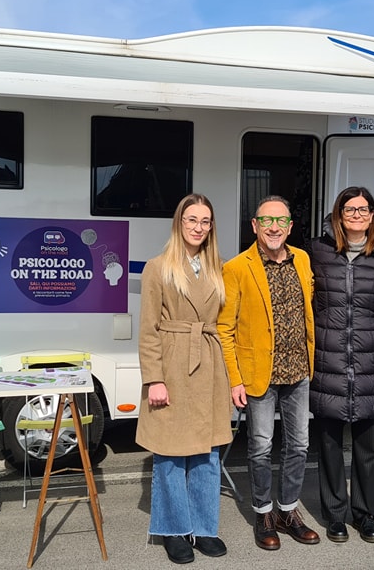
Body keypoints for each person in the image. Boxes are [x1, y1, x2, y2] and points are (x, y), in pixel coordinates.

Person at [217, 195, 320, 551]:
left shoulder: (302, 260)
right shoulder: (237, 268)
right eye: (266, 221)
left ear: (290, 227)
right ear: (254, 225)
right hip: (258, 374)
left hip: (298, 371)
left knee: (300, 445)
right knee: (260, 447)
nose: (274, 227)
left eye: (280, 221)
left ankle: (288, 511)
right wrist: (234, 379)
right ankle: (263, 513)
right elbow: (224, 329)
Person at [136, 193, 233, 564]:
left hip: (208, 364)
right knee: (171, 454)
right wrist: (154, 380)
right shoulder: (158, 267)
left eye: (205, 221)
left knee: (207, 454)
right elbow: (147, 332)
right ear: (179, 223)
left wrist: (231, 376)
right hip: (173, 365)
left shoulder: (217, 269)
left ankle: (205, 527)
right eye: (192, 219)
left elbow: (224, 325)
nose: (198, 227)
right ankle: (174, 529)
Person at [309, 186, 374, 544]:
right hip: (328, 358)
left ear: (372, 214)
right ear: (338, 213)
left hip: (371, 360)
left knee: (367, 447)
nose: (357, 215)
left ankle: (365, 515)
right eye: (350, 209)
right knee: (330, 445)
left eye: (364, 210)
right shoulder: (318, 250)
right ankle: (334, 515)